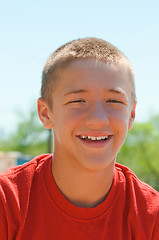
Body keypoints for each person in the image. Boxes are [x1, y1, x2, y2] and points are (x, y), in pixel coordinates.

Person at [0, 37, 159, 240]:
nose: (98, 119)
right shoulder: (8, 202)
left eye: (113, 100)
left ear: (132, 114)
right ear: (46, 113)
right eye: (77, 100)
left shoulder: (150, 217)